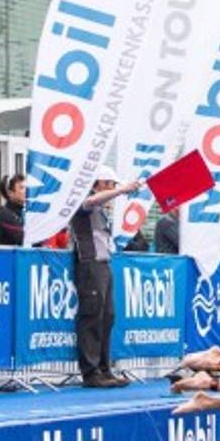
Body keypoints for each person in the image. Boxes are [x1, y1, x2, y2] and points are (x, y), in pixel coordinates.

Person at [71, 166, 141, 388]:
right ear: (98, 184)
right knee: (92, 316)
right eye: (110, 185)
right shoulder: (84, 202)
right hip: (89, 263)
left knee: (107, 316)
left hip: (103, 263)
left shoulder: (101, 209)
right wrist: (121, 191)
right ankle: (91, 373)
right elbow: (91, 201)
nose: (113, 189)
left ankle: (103, 368)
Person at [0, 174, 24, 246]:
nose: (26, 191)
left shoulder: (21, 214)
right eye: (21, 188)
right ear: (10, 193)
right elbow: (21, 239)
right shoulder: (5, 214)